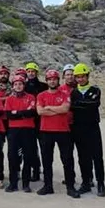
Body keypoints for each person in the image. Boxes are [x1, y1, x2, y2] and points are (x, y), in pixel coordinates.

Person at [36, 69, 80, 199]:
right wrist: (57, 110)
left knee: (67, 160)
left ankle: (70, 187)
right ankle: (48, 186)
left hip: (63, 131)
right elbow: (40, 112)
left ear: (58, 80)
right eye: (49, 79)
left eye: (54, 79)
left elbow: (65, 109)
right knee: (47, 160)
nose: (52, 81)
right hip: (46, 131)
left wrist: (49, 108)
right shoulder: (41, 95)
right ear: (47, 81)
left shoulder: (65, 93)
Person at [70, 63, 105, 197]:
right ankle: (86, 182)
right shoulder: (73, 92)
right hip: (78, 128)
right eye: (78, 77)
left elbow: (94, 104)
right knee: (82, 157)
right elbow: (73, 107)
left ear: (87, 76)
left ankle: (101, 183)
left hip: (92, 127)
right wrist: (83, 105)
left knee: (97, 156)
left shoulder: (95, 90)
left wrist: (79, 104)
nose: (80, 79)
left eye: (82, 76)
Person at [5, 75, 38, 193]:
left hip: (28, 130)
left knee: (28, 156)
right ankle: (13, 183)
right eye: (16, 84)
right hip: (13, 131)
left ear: (24, 85)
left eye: (20, 84)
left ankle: (26, 183)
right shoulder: (9, 99)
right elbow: (9, 115)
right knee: (12, 156)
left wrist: (17, 113)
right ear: (13, 86)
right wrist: (23, 112)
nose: (18, 86)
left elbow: (32, 112)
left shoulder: (31, 97)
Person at [23, 62, 47, 182]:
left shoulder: (44, 86)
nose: (31, 73)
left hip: (42, 120)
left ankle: (47, 171)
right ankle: (36, 171)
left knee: (44, 147)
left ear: (37, 72)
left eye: (33, 71)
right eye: (29, 71)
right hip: (29, 121)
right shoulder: (24, 86)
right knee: (32, 148)